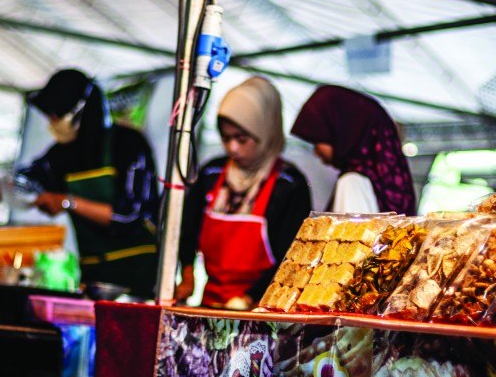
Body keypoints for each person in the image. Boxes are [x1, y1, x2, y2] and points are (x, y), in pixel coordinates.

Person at [0, 69, 160, 299]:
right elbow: (19, 183)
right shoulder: (60, 157)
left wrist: (66, 202)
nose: (51, 122)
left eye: (55, 115)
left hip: (140, 277)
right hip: (94, 275)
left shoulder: (128, 144)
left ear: (80, 110)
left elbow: (129, 215)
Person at [175, 75, 311, 310]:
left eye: (242, 139)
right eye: (226, 138)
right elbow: (186, 230)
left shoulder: (289, 185)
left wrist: (248, 298)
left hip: (264, 312)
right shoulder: (212, 173)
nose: (232, 148)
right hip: (211, 305)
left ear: (266, 132)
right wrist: (187, 275)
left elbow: (292, 257)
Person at [291, 85, 417, 215]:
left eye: (317, 140)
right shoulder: (385, 182)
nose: (316, 152)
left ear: (342, 133)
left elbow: (354, 234)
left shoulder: (353, 181)